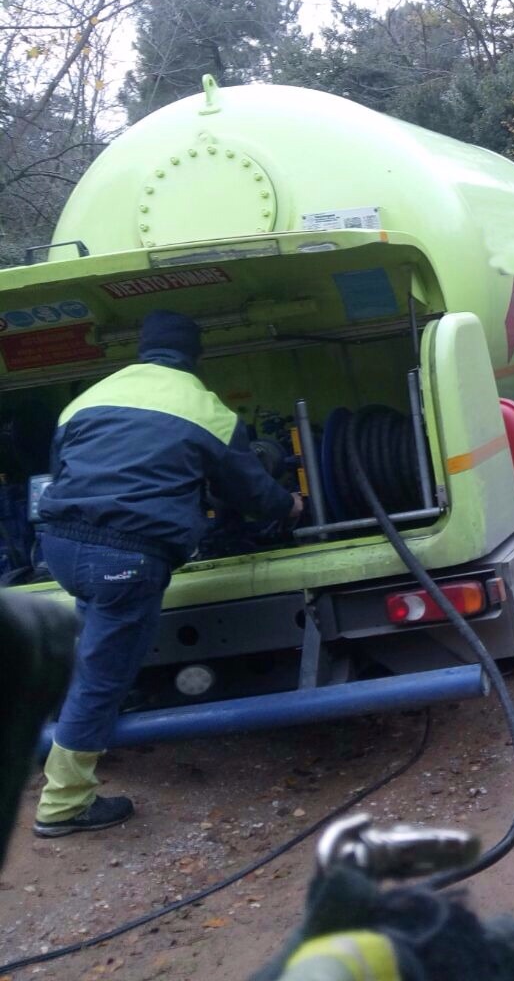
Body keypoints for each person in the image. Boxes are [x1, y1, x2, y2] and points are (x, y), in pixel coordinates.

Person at [32, 310, 301, 837]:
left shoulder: (88, 398)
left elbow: (60, 469)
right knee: (102, 675)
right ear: (194, 356)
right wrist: (286, 508)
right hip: (127, 556)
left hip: (61, 545)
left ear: (142, 349)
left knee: (95, 648)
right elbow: (246, 492)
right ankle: (63, 804)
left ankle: (83, 726)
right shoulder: (207, 410)